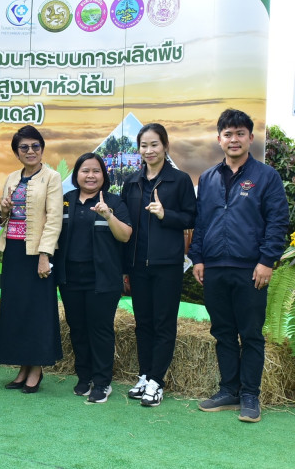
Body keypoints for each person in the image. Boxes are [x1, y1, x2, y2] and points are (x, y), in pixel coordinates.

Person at [188, 109, 288, 423]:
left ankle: (250, 395)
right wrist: (198, 258)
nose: (234, 139)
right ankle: (229, 390)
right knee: (223, 332)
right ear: (219, 139)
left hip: (250, 269)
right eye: (228, 134)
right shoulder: (208, 178)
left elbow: (277, 222)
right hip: (215, 268)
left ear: (250, 138)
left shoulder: (266, 176)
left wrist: (266, 261)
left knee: (251, 334)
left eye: (240, 133)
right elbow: (201, 223)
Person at [121, 124, 196, 407]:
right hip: (138, 265)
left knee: (164, 323)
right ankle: (144, 376)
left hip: (167, 265)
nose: (149, 150)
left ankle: (156, 381)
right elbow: (126, 225)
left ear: (165, 146)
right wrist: (125, 266)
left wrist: (166, 215)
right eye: (144, 145)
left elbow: (192, 218)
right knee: (143, 323)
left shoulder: (180, 180)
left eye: (154, 144)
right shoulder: (132, 182)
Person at [55, 153, 132, 403]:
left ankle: (102, 381)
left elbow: (125, 236)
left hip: (103, 279)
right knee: (77, 329)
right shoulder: (65, 201)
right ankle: (84, 377)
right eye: (85, 170)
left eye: (96, 171)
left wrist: (108, 215)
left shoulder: (114, 202)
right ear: (76, 174)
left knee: (100, 330)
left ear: (103, 175)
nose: (90, 176)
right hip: (70, 278)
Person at [0, 125, 63, 394]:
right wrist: (4, 210)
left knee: (37, 312)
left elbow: (54, 218)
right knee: (17, 310)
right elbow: (1, 220)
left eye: (35, 146)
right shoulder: (12, 177)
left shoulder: (52, 177)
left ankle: (37, 369)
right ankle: (23, 367)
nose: (30, 151)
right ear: (16, 152)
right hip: (13, 251)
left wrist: (45, 255)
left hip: (37, 255)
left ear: (42, 149)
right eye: (24, 147)